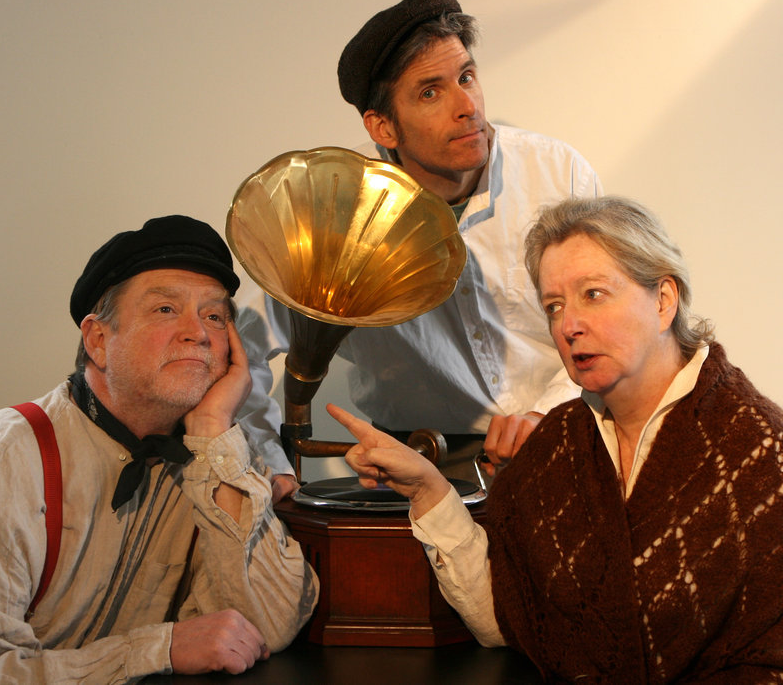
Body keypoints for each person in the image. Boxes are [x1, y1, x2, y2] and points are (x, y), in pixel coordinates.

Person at [328, 196, 783, 682]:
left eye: (593, 294)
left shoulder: (761, 452)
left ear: (664, 300)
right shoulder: (556, 446)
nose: (569, 326)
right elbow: (504, 618)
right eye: (554, 306)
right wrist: (428, 489)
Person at [235, 0, 602, 491]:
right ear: (382, 126)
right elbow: (239, 351)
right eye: (430, 92)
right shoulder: (333, 209)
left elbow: (605, 315)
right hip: (419, 467)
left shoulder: (560, 174)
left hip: (565, 436)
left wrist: (547, 413)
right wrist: (271, 465)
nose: (467, 106)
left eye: (467, 77)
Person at [0, 215, 318, 682]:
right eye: (165, 310)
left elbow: (268, 626)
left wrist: (211, 427)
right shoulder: (4, 457)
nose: (197, 333)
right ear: (98, 340)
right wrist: (157, 650)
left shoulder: (216, 450)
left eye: (215, 317)